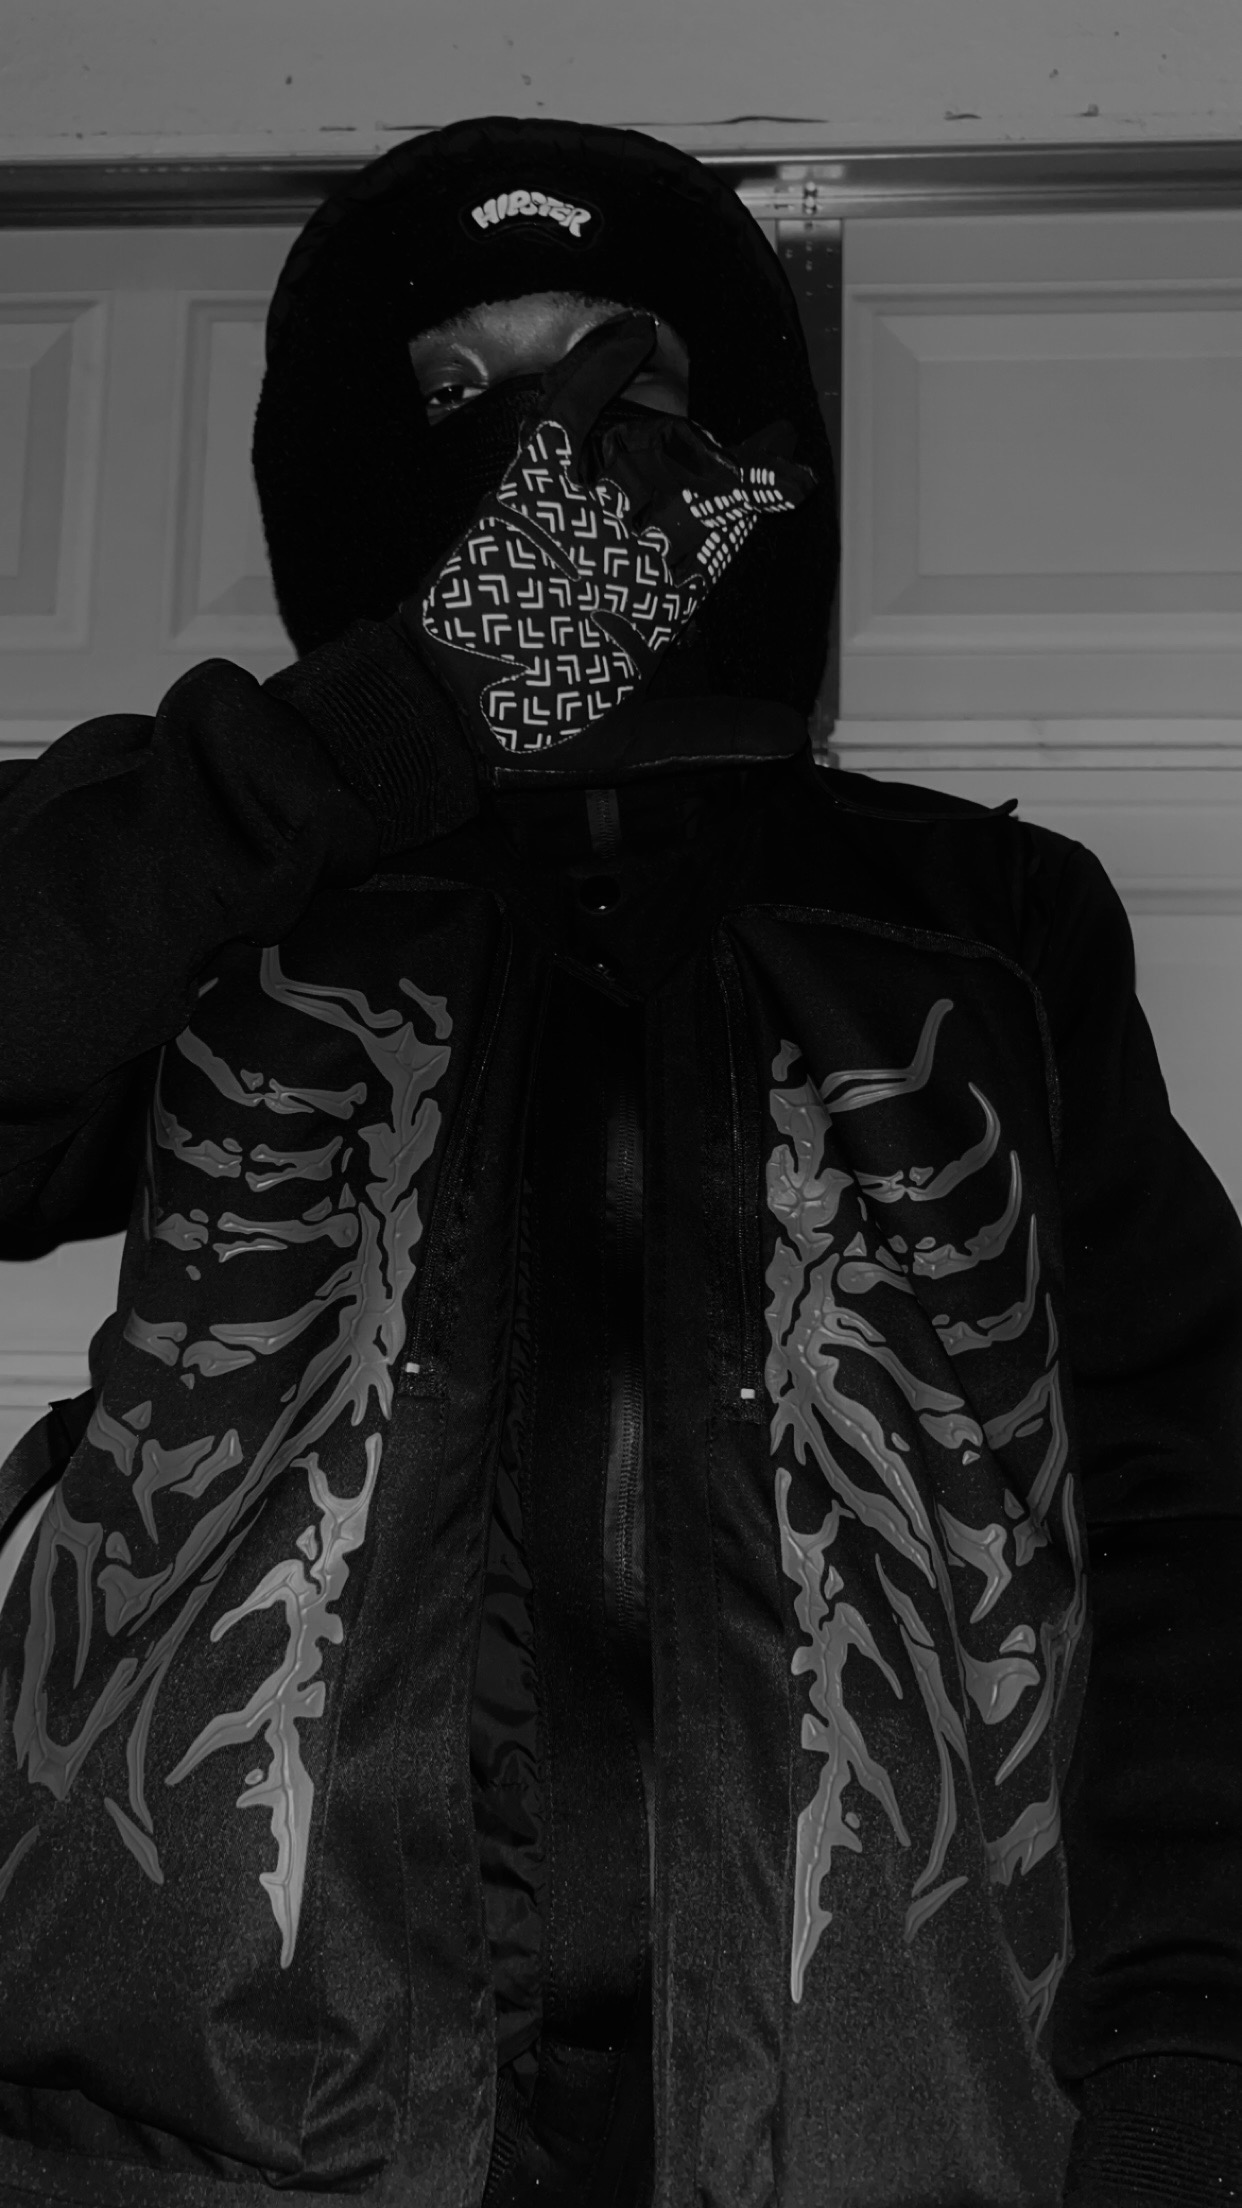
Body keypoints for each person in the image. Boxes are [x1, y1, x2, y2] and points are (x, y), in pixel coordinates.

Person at [0, 113, 1238, 2208]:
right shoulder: (231, 887)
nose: (538, 448)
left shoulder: (982, 927)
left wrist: (1188, 2047)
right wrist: (388, 723)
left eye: (618, 373)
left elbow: (1184, 1494)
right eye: (458, 386)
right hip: (202, 2133)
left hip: (878, 2136)